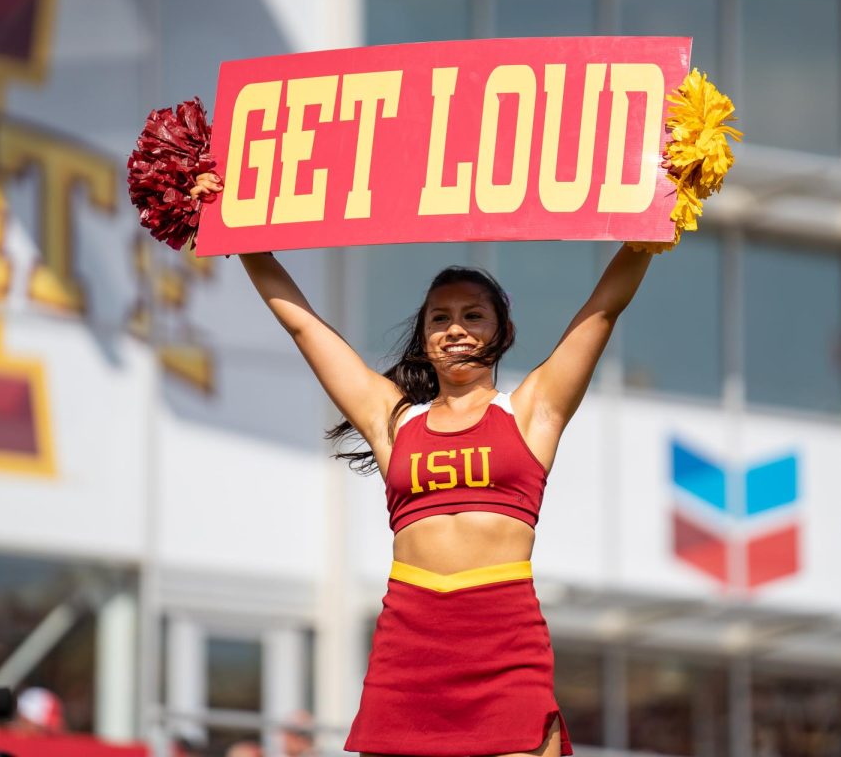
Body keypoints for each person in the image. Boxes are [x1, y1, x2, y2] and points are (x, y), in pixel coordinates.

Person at [191, 171, 658, 757]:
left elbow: (605, 307)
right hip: (411, 645)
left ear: (503, 330)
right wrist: (231, 225)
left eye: (473, 316)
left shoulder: (532, 410)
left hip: (503, 641)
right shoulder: (394, 421)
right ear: (423, 336)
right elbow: (302, 324)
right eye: (439, 318)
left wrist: (665, 201)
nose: (456, 329)